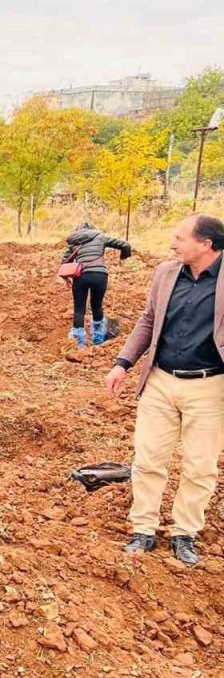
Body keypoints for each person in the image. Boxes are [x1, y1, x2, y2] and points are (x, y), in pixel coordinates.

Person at [105, 214, 224, 566]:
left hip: (210, 386)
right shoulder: (166, 273)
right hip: (160, 380)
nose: (172, 243)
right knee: (148, 459)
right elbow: (148, 319)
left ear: (206, 244)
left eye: (179, 237)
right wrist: (122, 363)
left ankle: (184, 532)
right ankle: (143, 528)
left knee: (200, 467)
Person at [60, 222, 133, 348]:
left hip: (81, 277)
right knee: (97, 306)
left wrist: (66, 277)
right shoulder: (100, 236)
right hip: (100, 276)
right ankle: (98, 339)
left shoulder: (75, 241)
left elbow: (64, 262)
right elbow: (125, 245)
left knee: (79, 309)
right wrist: (124, 256)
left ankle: (78, 343)